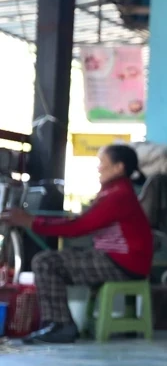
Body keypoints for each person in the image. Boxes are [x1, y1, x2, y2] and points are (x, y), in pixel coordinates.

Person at [1, 143, 153, 344]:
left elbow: (77, 228)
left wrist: (30, 221)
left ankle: (60, 325)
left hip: (123, 263)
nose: (98, 167)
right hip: (122, 260)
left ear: (118, 167)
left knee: (46, 262)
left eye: (102, 162)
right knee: (57, 260)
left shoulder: (118, 195)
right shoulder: (114, 192)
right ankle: (58, 324)